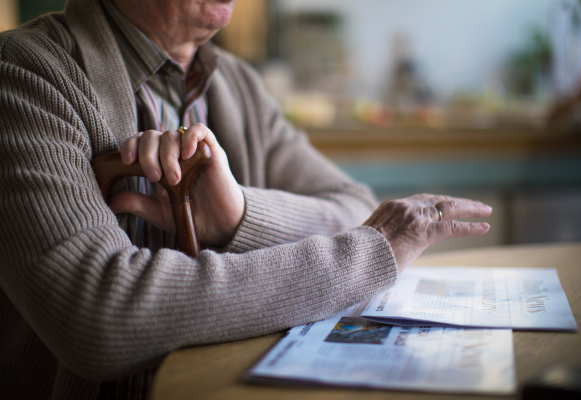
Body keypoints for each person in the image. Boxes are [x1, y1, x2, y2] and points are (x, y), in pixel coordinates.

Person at [0, 0, 492, 398]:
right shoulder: (23, 71)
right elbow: (99, 320)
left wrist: (240, 217)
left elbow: (350, 204)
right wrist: (367, 253)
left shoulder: (238, 82)